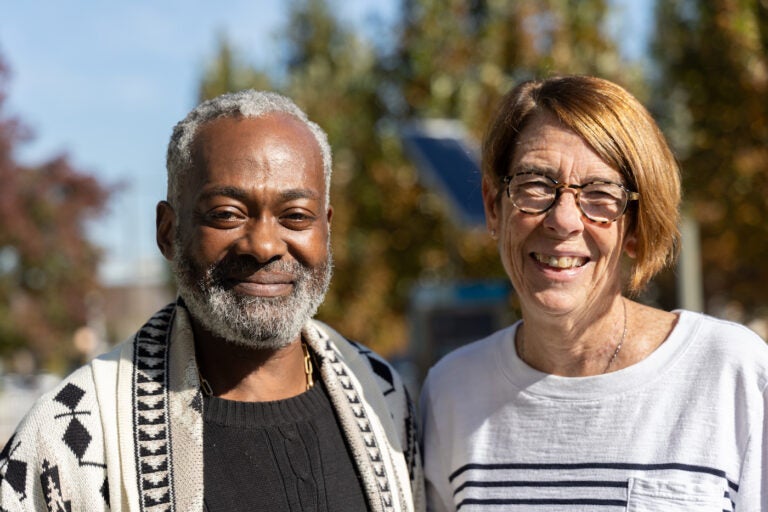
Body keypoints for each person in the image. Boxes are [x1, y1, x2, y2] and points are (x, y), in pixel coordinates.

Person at [0, 90, 424, 512]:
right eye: (227, 213)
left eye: (295, 216)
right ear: (168, 232)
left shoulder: (382, 398)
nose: (263, 246)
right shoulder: (69, 437)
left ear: (326, 231)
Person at [420, 75, 768, 512]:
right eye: (535, 185)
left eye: (600, 194)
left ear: (637, 227)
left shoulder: (730, 374)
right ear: (495, 207)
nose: (563, 220)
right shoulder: (452, 392)